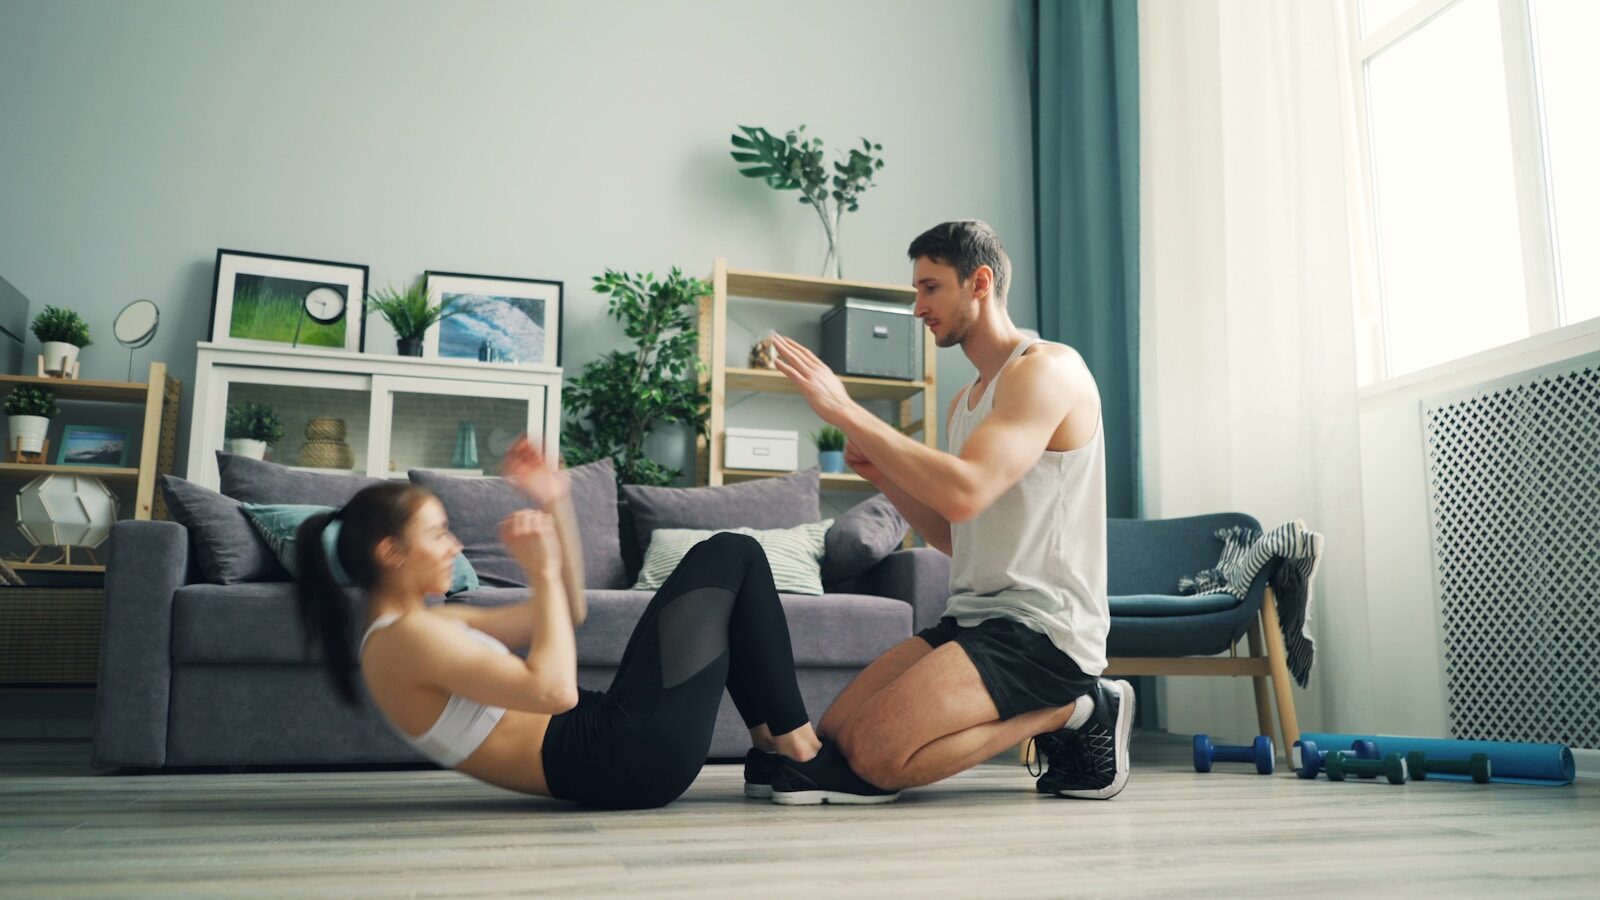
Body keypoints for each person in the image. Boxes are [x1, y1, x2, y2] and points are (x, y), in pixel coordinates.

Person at [767, 219, 1132, 802]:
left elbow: (965, 490)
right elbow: (956, 534)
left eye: (930, 288)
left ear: (979, 282)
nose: (917, 308)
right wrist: (883, 473)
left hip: (1042, 629)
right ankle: (1067, 706)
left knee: (876, 756)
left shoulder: (1046, 370)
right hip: (974, 618)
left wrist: (845, 409)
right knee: (836, 736)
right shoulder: (968, 400)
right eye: (917, 290)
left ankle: (1076, 705)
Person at [293, 437, 829, 809]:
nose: (453, 546)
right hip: (624, 756)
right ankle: (802, 754)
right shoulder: (407, 639)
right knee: (732, 552)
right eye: (437, 533)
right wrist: (541, 572)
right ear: (391, 552)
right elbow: (553, 692)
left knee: (728, 571)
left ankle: (773, 755)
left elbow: (568, 609)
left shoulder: (421, 627)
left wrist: (558, 502)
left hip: (615, 745)